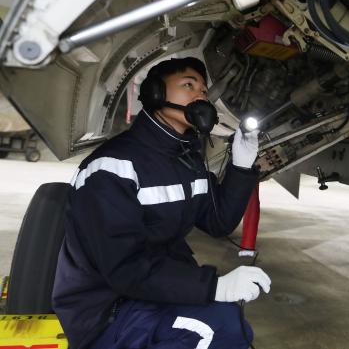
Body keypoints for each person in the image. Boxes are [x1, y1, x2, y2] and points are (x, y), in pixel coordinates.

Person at [52, 57, 270, 349]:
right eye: (188, 85)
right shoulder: (112, 167)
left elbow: (218, 221)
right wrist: (214, 287)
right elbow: (125, 268)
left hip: (150, 291)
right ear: (155, 94)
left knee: (230, 320)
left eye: (204, 91)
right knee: (216, 329)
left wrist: (241, 167)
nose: (200, 96)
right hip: (106, 309)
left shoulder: (187, 161)